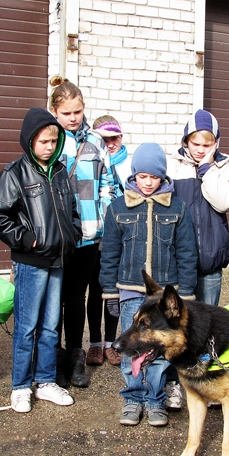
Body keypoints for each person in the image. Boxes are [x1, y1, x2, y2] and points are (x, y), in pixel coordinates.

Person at [0, 107, 81, 413]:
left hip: (58, 260)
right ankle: (20, 386)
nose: (50, 147)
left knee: (52, 326)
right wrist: (29, 240)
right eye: (44, 142)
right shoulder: (14, 173)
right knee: (27, 326)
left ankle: (45, 382)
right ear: (30, 141)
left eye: (54, 141)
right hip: (31, 262)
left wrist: (74, 233)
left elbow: (71, 210)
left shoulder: (60, 173)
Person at [100, 143, 197, 427]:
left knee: (157, 351)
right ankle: (132, 398)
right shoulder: (118, 207)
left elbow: (187, 252)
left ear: (162, 178)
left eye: (153, 177)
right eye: (142, 176)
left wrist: (186, 293)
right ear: (134, 175)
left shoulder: (178, 208)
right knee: (131, 347)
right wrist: (110, 292)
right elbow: (109, 253)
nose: (147, 182)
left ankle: (155, 400)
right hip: (131, 291)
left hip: (163, 297)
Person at [48, 76, 115, 388]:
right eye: (66, 113)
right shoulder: (49, 140)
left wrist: (101, 222)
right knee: (54, 299)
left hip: (88, 236)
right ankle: (54, 358)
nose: (73, 118)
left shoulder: (96, 142)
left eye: (77, 111)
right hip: (58, 235)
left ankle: (75, 356)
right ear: (54, 111)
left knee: (76, 298)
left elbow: (108, 184)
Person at [168, 109, 229, 306]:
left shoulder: (225, 167)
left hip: (210, 261)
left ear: (216, 143)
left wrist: (206, 170)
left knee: (206, 319)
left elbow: (223, 202)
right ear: (186, 141)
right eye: (195, 144)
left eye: (207, 145)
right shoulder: (172, 166)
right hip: (179, 262)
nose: (200, 150)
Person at [85, 115, 131, 368]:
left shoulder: (129, 166)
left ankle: (111, 343)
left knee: (113, 292)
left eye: (114, 138)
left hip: (120, 239)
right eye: (104, 139)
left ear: (121, 137)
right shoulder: (90, 161)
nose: (110, 144)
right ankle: (93, 343)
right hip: (96, 237)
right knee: (95, 290)